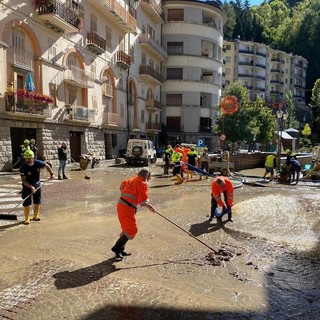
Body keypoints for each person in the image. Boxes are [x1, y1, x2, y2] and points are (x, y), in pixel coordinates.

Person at [111, 168, 156, 261]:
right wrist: (151, 208)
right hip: (126, 207)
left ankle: (121, 249)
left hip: (123, 205)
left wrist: (125, 196)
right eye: (150, 176)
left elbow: (122, 185)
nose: (150, 178)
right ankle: (116, 249)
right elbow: (143, 200)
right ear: (146, 176)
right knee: (132, 230)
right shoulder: (141, 183)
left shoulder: (132, 179)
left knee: (126, 229)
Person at [20, 149, 54, 225]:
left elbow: (47, 165)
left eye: (29, 159)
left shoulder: (38, 163)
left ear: (33, 158)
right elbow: (23, 181)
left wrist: (51, 174)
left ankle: (36, 216)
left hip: (37, 184)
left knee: (37, 200)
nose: (28, 161)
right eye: (26, 159)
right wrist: (31, 187)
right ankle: (27, 218)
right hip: (27, 186)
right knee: (26, 201)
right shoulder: (23, 167)